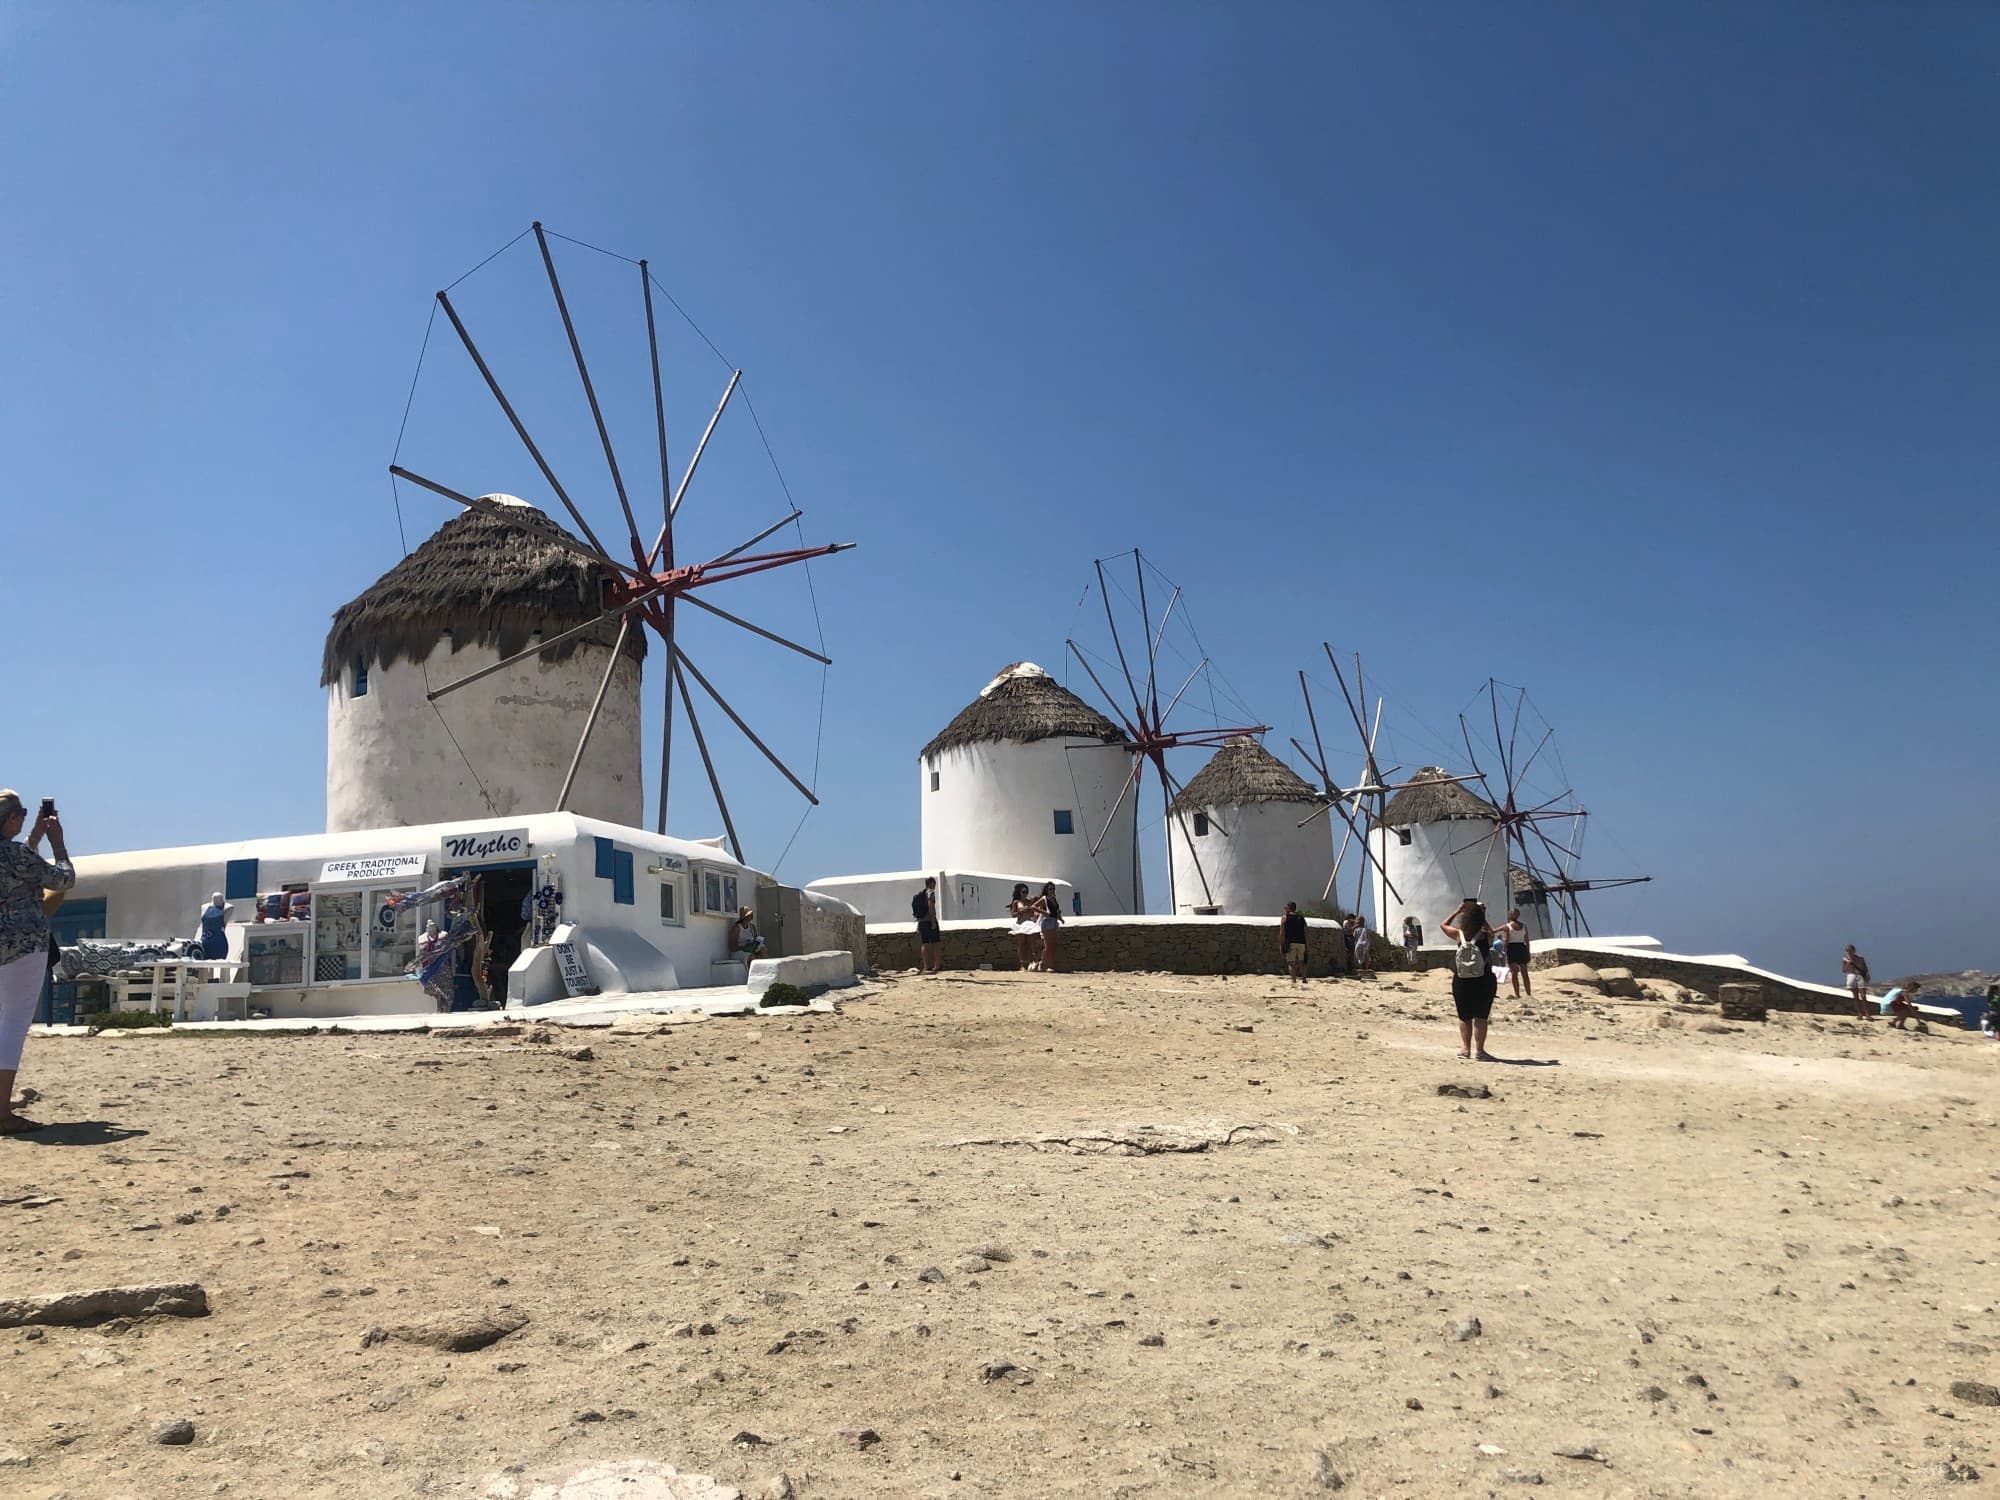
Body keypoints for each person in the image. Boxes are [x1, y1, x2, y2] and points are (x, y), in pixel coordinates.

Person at [0, 792, 75, 1135]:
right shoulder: (15, 855)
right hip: (22, 947)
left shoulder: (16, 853)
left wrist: (34, 837)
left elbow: (19, 863)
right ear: (12, 818)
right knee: (12, 1029)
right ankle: (2, 1112)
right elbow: (62, 880)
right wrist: (58, 845)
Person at [1441, 896, 1497, 1061]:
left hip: (1462, 980)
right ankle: (1480, 1051)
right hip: (1484, 979)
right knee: (1481, 1016)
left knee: (1464, 1016)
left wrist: (1458, 910)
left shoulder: (1459, 935)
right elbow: (1492, 933)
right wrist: (1483, 915)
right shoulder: (1486, 936)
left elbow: (1443, 925)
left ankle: (1466, 1049)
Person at [1496, 908, 1533, 998]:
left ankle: (1517, 994)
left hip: (1512, 948)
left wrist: (1504, 950)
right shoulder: (1523, 925)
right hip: (1522, 947)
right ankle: (1528, 994)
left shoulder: (1507, 926)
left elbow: (1506, 939)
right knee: (1524, 972)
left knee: (1514, 972)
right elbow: (1526, 940)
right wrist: (1528, 951)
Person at [912, 877, 942, 975]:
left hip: (922, 922)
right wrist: (933, 921)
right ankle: (936, 966)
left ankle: (926, 966)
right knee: (936, 943)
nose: (935, 885)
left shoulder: (921, 894)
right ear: (931, 883)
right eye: (934, 883)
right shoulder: (930, 892)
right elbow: (930, 905)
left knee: (925, 944)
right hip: (929, 921)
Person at [1008, 883, 1041, 971]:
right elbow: (1013, 915)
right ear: (1019, 892)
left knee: (1031, 944)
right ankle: (1022, 964)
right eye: (1023, 892)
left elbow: (1032, 914)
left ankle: (1031, 962)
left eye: (1026, 892)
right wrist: (1021, 912)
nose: (1025, 894)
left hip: (1029, 924)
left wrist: (1029, 910)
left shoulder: (1029, 902)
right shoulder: (1016, 902)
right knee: (1021, 944)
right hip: (1021, 924)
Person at [1037, 880, 1065, 973]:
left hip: (1054, 922)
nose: (1052, 890)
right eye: (1050, 889)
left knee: (1053, 945)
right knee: (1048, 946)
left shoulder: (1054, 899)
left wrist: (1060, 918)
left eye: (1053, 889)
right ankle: (1048, 965)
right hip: (1047, 923)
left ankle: (1043, 962)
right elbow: (1033, 906)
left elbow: (1056, 911)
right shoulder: (1044, 899)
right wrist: (1044, 912)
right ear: (1046, 890)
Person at [1279, 901, 1308, 984]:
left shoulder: (1285, 917)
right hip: (1301, 942)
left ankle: (1294, 981)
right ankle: (1304, 979)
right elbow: (1305, 931)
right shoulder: (1301, 918)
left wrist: (1281, 944)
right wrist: (1307, 945)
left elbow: (1282, 932)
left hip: (1291, 942)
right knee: (1302, 962)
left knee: (1291, 963)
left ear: (1288, 908)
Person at [1841, 945, 1872, 1020]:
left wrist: (1867, 975)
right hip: (1851, 975)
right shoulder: (1845, 959)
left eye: (1851, 950)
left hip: (1860, 975)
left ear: (1854, 950)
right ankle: (1860, 1014)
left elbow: (1865, 968)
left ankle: (1867, 1014)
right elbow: (1843, 970)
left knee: (1863, 996)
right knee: (1855, 996)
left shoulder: (1860, 958)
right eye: (1848, 950)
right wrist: (1848, 963)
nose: (1849, 952)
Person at [197, 891, 230, 961]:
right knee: (204, 967)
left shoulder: (228, 907)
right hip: (205, 943)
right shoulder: (204, 907)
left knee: (221, 965)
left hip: (219, 943)